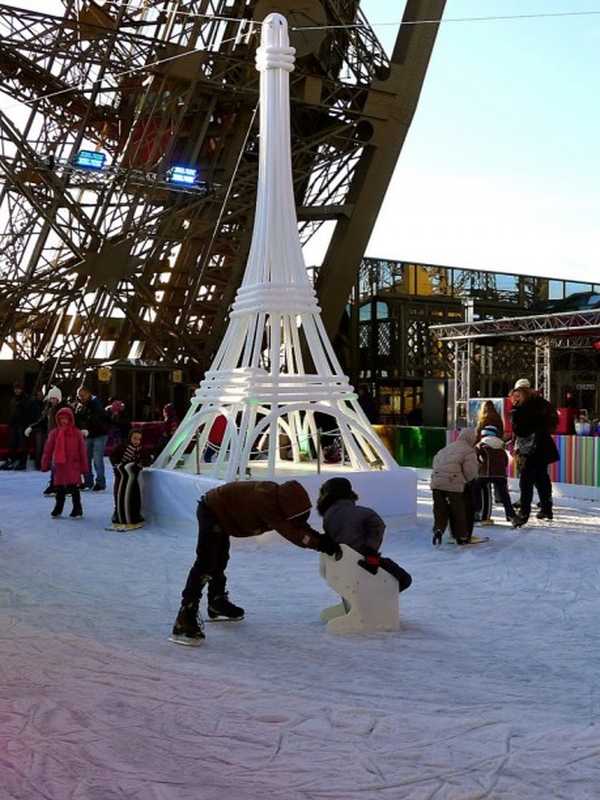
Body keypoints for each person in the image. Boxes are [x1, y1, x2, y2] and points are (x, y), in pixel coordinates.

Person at [171, 480, 342, 645]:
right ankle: (185, 615)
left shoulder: (279, 498)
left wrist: (319, 540)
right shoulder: (267, 502)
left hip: (224, 515)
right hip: (212, 511)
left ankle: (216, 601)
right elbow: (292, 532)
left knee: (220, 559)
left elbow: (296, 526)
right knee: (206, 562)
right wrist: (320, 543)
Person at [316, 477, 412, 591]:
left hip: (342, 562)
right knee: (405, 579)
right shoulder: (362, 512)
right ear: (349, 494)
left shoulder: (327, 516)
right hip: (364, 560)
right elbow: (378, 525)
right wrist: (371, 550)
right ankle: (383, 597)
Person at [511, 384, 559, 525]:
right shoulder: (544, 403)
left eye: (517, 395)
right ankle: (546, 508)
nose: (516, 398)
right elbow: (554, 422)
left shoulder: (523, 408)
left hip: (530, 449)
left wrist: (515, 413)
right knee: (541, 478)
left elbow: (520, 431)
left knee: (526, 481)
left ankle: (523, 514)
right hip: (543, 445)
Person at [430, 429, 479, 545]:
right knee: (458, 509)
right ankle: (462, 536)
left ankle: (438, 530)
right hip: (453, 482)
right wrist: (466, 481)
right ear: (471, 439)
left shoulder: (446, 448)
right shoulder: (469, 451)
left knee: (440, 509)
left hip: (437, 482)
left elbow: (435, 462)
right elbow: (470, 472)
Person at [41, 407, 89, 519]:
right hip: (60, 465)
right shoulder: (55, 433)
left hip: (73, 464)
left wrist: (84, 467)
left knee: (74, 488)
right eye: (61, 418)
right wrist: (45, 462)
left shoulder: (77, 433)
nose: (64, 421)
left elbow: (82, 451)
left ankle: (77, 509)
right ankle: (58, 508)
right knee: (59, 489)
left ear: (70, 419)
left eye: (66, 418)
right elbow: (48, 450)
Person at [25, 386, 67, 494]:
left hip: (63, 440)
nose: (52, 400)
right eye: (51, 398)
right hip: (53, 440)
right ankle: (55, 484)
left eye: (54, 398)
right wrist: (32, 427)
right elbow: (42, 421)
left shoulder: (64, 410)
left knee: (60, 464)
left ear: (59, 398)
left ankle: (62, 485)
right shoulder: (50, 410)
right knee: (55, 463)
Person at [473, 425, 518, 526]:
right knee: (505, 495)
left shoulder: (480, 444)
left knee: (480, 491)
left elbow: (475, 458)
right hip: (500, 474)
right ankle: (511, 516)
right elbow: (506, 461)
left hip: (484, 474)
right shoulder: (501, 445)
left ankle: (480, 514)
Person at [109, 429, 146, 529]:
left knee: (134, 496)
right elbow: (112, 456)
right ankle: (118, 512)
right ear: (130, 438)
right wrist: (116, 465)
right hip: (121, 476)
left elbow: (146, 459)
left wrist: (140, 464)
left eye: (139, 439)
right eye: (135, 438)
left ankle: (134, 516)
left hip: (133, 478)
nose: (136, 441)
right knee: (119, 494)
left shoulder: (141, 449)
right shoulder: (122, 447)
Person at [75, 386, 110, 491]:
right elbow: (78, 419)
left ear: (88, 393)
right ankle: (88, 481)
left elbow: (96, 419)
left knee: (97, 459)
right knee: (86, 459)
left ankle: (100, 483)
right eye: (79, 395)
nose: (81, 397)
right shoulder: (80, 405)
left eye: (82, 395)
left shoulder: (96, 404)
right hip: (88, 434)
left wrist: (86, 428)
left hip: (99, 434)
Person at [2, 382, 32, 470]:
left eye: (18, 388)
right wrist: (10, 423)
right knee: (12, 444)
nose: (17, 390)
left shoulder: (26, 399)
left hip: (23, 425)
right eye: (15, 388)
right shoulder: (13, 400)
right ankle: (11, 460)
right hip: (14, 425)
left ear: (22, 389)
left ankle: (23, 463)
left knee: (23, 444)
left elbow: (28, 413)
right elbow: (11, 412)